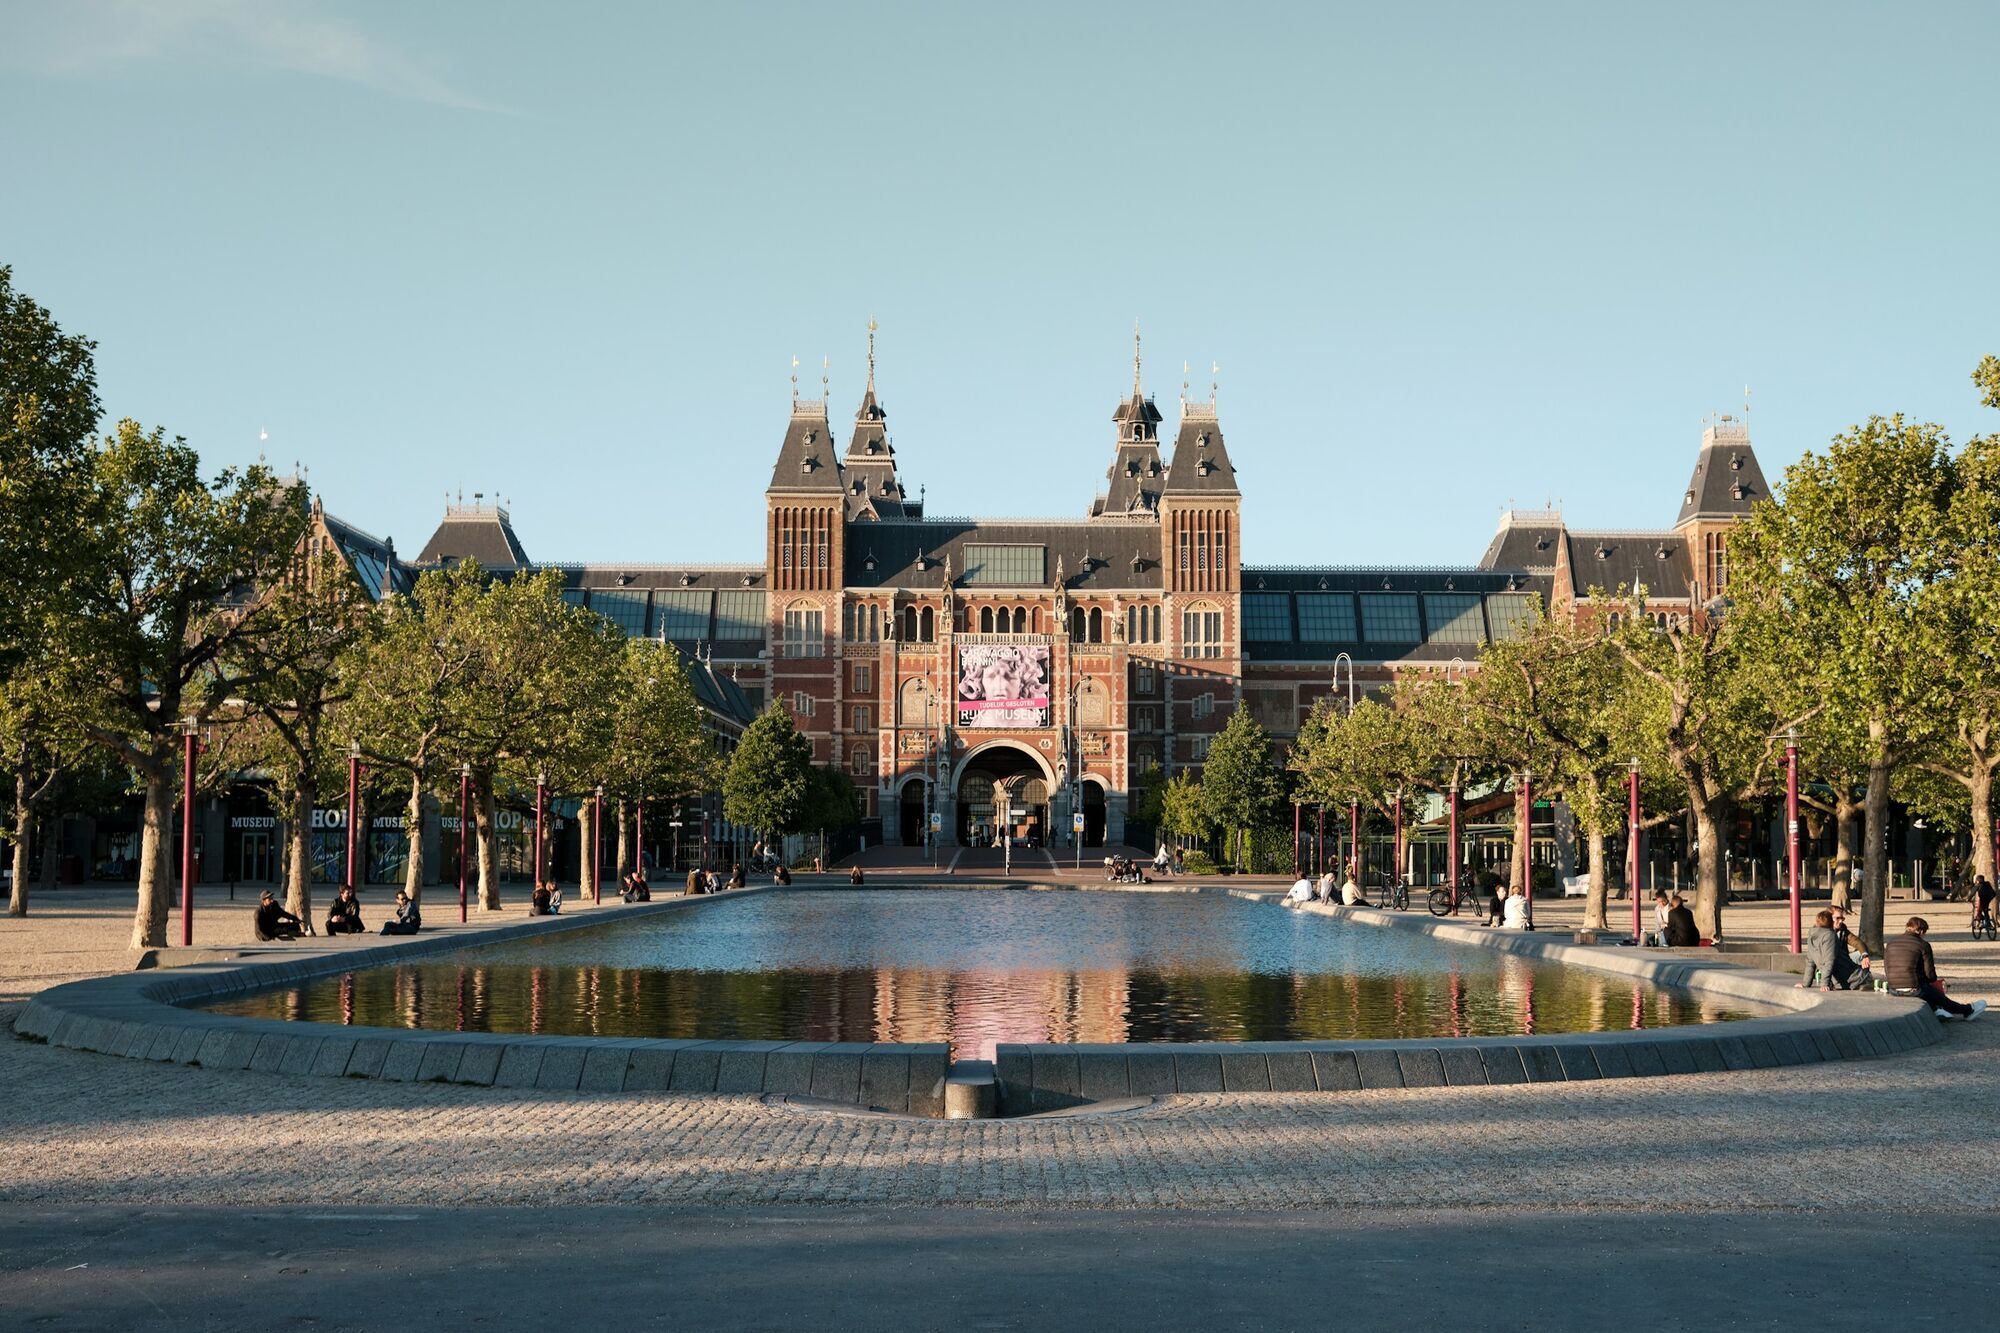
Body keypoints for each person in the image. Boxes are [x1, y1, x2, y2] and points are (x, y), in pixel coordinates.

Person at [1884, 916, 1986, 1020]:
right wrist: (1930, 983)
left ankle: (1937, 1010)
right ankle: (1968, 1010)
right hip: (1914, 989)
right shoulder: (1923, 945)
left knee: (1930, 993)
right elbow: (1930, 975)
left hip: (1893, 989)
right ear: (1921, 931)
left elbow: (1887, 968)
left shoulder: (1890, 943)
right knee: (1937, 995)